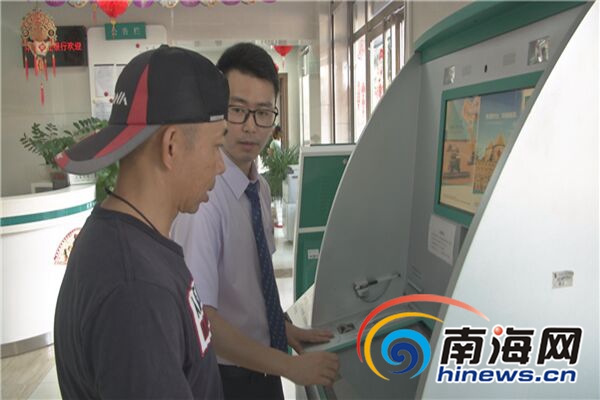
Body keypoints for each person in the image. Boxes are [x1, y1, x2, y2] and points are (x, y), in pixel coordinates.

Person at [53, 45, 229, 399]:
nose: (221, 165)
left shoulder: (121, 241)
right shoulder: (136, 290)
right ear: (172, 146)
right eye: (216, 146)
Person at [171, 43, 339, 400]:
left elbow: (253, 287)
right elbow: (201, 318)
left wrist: (284, 329)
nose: (250, 127)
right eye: (237, 110)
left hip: (263, 365)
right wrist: (289, 366)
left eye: (263, 113)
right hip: (227, 376)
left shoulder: (257, 187)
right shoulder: (204, 200)